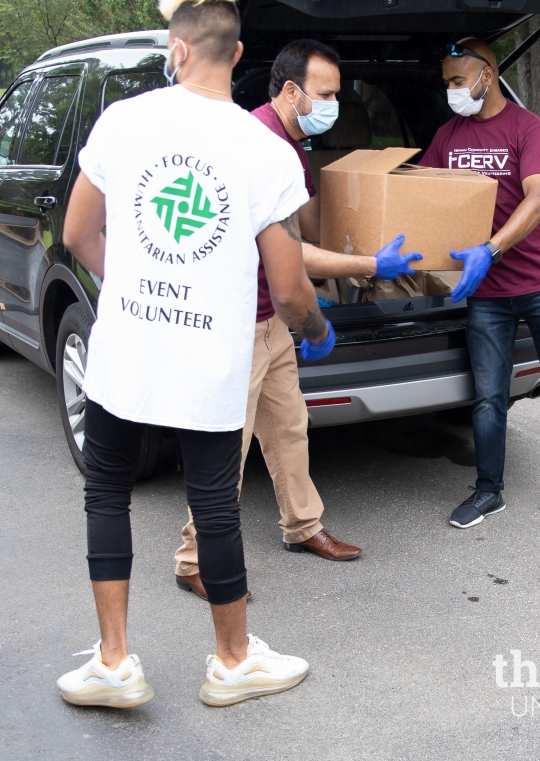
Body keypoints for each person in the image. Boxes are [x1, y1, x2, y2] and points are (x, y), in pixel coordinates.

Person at [59, 0, 332, 708]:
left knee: (107, 491)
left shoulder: (123, 122)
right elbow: (290, 282)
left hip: (126, 351)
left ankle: (114, 663)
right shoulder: (260, 147)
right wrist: (312, 328)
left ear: (176, 50)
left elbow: (78, 234)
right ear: (238, 55)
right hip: (212, 355)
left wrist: (134, 288)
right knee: (215, 504)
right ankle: (232, 661)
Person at [172, 39, 423, 594]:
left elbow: (307, 230)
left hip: (269, 321)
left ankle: (302, 525)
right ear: (291, 91)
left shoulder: (291, 144)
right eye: (328, 94)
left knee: (288, 428)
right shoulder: (261, 145)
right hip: (238, 321)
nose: (337, 104)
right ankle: (194, 561)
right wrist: (368, 263)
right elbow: (291, 255)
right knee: (226, 449)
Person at [422, 38, 540, 529]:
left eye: (458, 81)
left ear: (487, 75)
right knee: (487, 398)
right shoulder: (448, 136)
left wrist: (491, 250)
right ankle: (488, 492)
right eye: (446, 84)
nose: (452, 91)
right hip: (487, 294)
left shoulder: (529, 127)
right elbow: (422, 195)